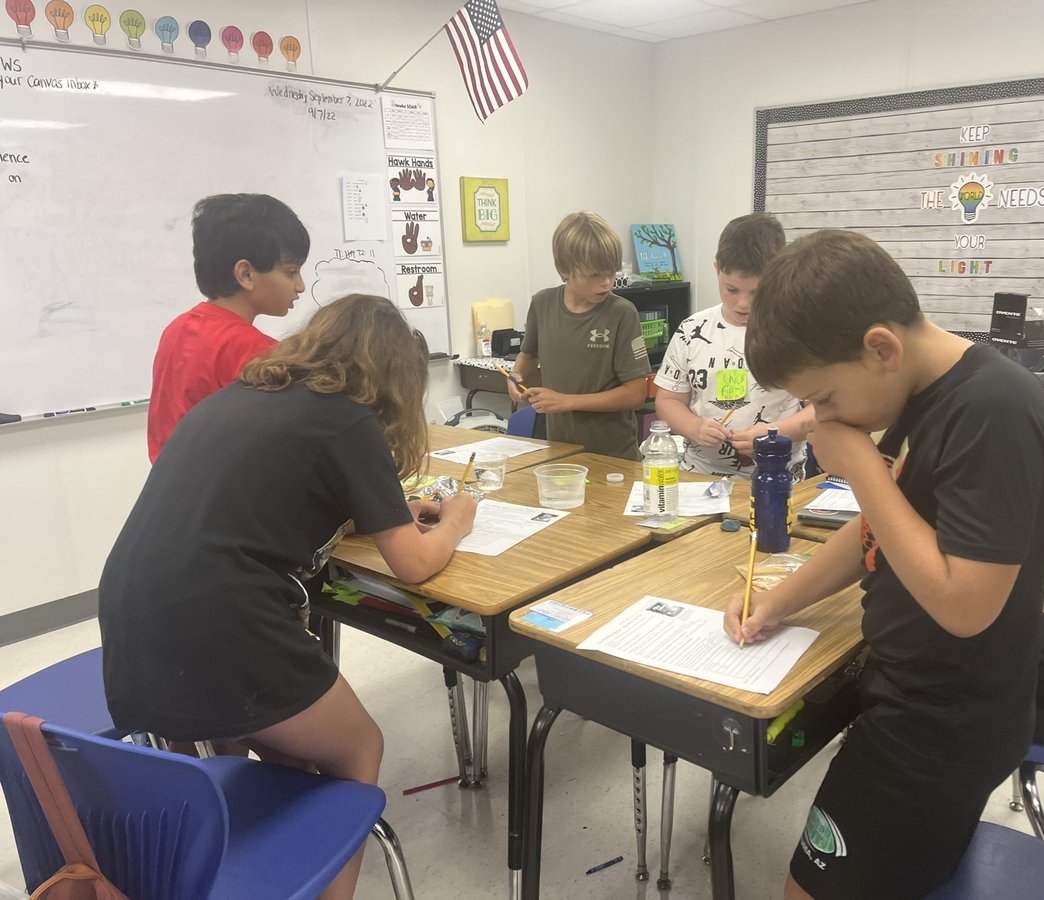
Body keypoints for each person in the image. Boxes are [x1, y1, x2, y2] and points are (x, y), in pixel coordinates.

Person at [100, 294, 477, 900]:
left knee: (286, 758)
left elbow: (270, 497)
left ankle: (269, 877)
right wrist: (456, 520)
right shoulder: (349, 419)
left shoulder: (242, 395)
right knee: (359, 746)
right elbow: (413, 564)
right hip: (218, 623)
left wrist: (386, 511)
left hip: (134, 623)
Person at [725, 230, 1044, 900]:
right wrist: (779, 599)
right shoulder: (924, 391)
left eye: (824, 397)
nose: (820, 418)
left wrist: (859, 467)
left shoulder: (993, 410)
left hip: (943, 724)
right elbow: (881, 528)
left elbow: (965, 607)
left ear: (881, 348)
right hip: (911, 694)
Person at [146, 193, 310, 463]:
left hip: (170, 481)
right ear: (245, 274)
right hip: (227, 485)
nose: (300, 286)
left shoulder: (176, 329)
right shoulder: (260, 353)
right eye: (290, 272)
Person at [654, 213, 815, 476]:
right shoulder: (692, 330)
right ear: (717, 268)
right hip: (698, 476)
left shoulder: (797, 331)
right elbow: (668, 400)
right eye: (732, 289)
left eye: (757, 292)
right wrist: (694, 427)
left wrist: (774, 433)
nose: (743, 303)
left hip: (778, 478)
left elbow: (820, 410)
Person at [508, 211, 650, 459]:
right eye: (595, 275)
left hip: (613, 456)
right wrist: (515, 376)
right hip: (559, 452)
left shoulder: (622, 313)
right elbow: (528, 355)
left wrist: (568, 401)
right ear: (565, 270)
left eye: (612, 272)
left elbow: (636, 394)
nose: (607, 282)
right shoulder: (542, 304)